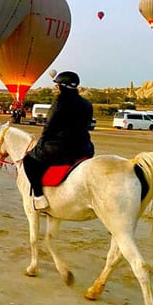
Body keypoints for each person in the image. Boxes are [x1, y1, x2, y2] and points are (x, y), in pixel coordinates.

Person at [22, 71, 95, 210]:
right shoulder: (87, 103)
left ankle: (39, 197)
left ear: (62, 86)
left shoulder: (59, 102)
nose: (55, 87)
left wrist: (41, 142)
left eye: (57, 85)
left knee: (29, 161)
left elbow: (49, 126)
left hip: (61, 148)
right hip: (85, 148)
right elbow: (87, 125)